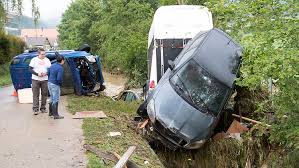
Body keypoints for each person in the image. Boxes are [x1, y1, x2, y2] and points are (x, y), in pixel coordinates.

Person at [29, 48, 51, 115]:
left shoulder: (47, 60)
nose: (44, 55)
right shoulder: (34, 60)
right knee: (36, 94)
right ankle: (35, 109)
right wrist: (37, 74)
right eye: (42, 54)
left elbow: (50, 69)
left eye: (44, 54)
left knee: (44, 94)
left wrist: (46, 73)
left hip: (45, 80)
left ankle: (43, 108)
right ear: (38, 54)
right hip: (35, 80)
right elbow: (30, 69)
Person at [48, 54, 65, 119]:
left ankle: (50, 113)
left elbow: (48, 73)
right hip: (55, 84)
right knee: (56, 99)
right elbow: (59, 79)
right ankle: (56, 115)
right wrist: (60, 84)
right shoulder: (60, 68)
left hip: (49, 83)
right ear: (62, 60)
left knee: (52, 98)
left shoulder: (52, 65)